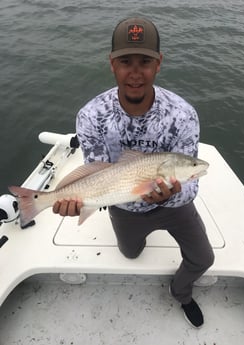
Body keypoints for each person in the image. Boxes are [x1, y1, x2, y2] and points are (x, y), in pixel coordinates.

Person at [53, 17, 214, 328]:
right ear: (112, 64)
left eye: (146, 62)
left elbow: (192, 186)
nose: (136, 73)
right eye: (126, 61)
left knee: (204, 258)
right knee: (130, 253)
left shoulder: (182, 114)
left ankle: (180, 292)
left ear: (159, 63)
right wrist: (76, 201)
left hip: (175, 207)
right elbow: (94, 170)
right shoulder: (91, 115)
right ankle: (132, 238)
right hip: (123, 207)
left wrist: (172, 195)